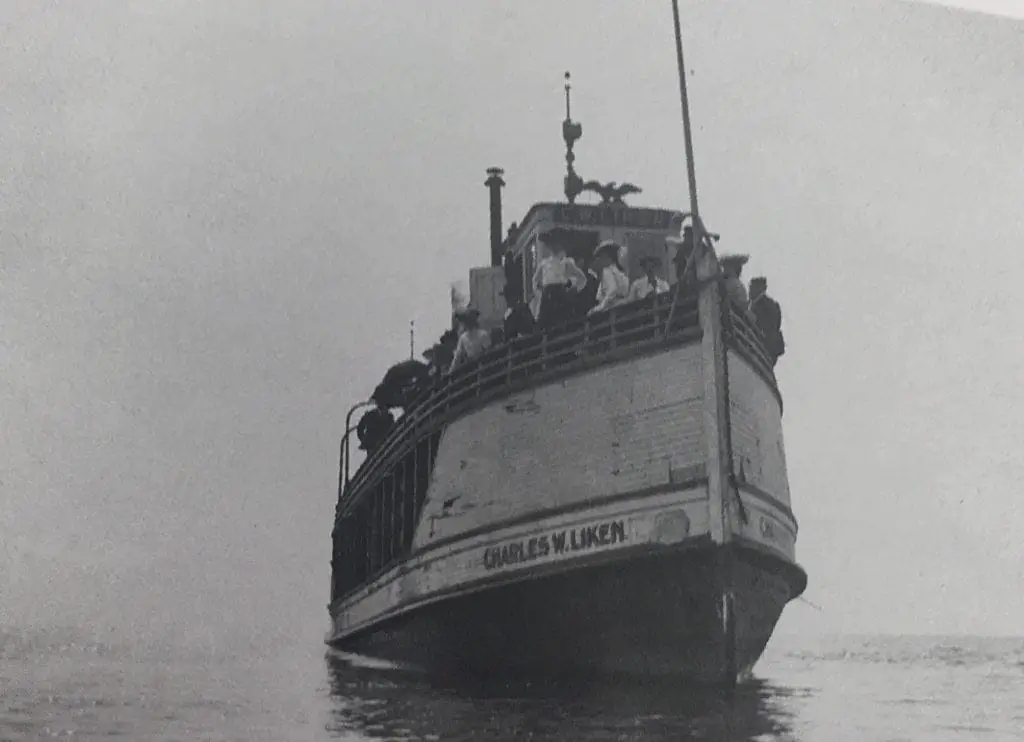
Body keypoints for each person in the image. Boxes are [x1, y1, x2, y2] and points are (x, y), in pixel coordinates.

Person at [532, 236, 587, 330]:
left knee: (566, 318)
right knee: (541, 321)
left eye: (555, 244)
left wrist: (574, 288)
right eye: (551, 245)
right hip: (547, 293)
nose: (553, 247)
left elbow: (582, 278)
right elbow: (535, 280)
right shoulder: (544, 263)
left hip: (561, 292)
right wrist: (539, 292)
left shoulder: (567, 262)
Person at [749, 277, 785, 366]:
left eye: (752, 287)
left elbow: (768, 327)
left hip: (765, 347)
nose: (749, 290)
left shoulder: (766, 305)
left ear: (760, 288)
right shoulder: (759, 304)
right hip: (768, 347)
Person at [588, 240, 630, 316]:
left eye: (600, 257)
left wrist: (600, 307)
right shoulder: (620, 274)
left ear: (607, 257)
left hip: (612, 313)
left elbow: (612, 290)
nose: (597, 261)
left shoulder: (607, 271)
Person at [448, 307, 492, 373]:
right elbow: (457, 357)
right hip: (471, 368)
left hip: (483, 365)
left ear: (473, 321)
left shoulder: (483, 334)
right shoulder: (463, 338)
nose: (466, 323)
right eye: (464, 321)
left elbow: (488, 352)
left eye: (468, 320)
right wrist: (450, 371)